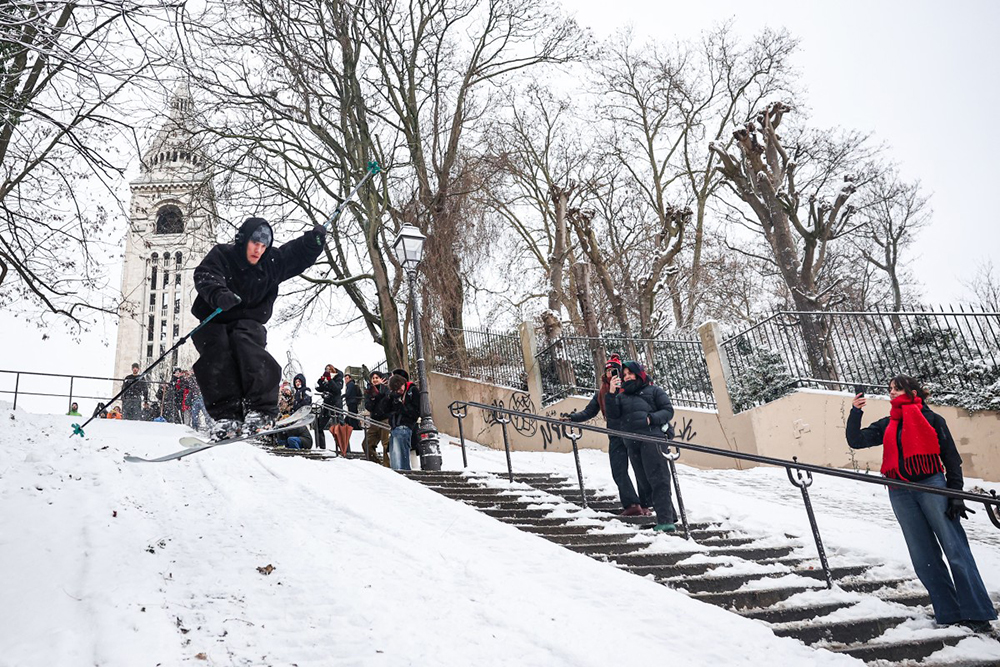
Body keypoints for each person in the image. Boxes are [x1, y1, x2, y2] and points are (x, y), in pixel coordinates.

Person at [847, 375, 997, 632]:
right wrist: (855, 412)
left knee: (955, 550)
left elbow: (951, 458)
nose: (892, 392)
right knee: (923, 555)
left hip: (932, 485)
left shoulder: (933, 419)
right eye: (890, 388)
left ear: (912, 391)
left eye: (897, 388)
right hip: (900, 490)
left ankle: (977, 613)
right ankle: (948, 612)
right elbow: (856, 441)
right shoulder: (888, 423)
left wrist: (955, 493)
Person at [190, 216, 326, 440]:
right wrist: (218, 294)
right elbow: (205, 274)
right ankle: (227, 415)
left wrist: (313, 242)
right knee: (216, 351)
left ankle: (261, 410)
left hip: (249, 320)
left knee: (246, 344)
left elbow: (295, 255)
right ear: (243, 241)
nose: (258, 251)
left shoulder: (271, 262)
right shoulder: (223, 254)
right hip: (215, 317)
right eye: (255, 244)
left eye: (263, 246)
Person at [563, 354, 650, 517]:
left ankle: (645, 504)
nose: (611, 374)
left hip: (632, 432)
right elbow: (590, 411)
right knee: (618, 469)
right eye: (608, 370)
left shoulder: (630, 386)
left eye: (614, 370)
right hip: (614, 434)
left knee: (640, 469)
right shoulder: (602, 390)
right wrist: (572, 418)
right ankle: (632, 504)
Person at [605, 361, 677, 533]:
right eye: (625, 374)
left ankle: (666, 522)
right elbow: (613, 416)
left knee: (658, 478)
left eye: (631, 373)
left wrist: (650, 419)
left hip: (652, 440)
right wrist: (611, 393)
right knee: (644, 483)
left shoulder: (654, 391)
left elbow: (668, 410)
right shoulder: (621, 397)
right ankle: (669, 514)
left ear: (639, 374)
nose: (627, 376)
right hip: (632, 443)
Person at [385, 373, 420, 470]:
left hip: (406, 425)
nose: (399, 391)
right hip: (395, 426)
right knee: (394, 455)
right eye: (396, 390)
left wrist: (401, 406)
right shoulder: (394, 395)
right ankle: (400, 475)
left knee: (401, 455)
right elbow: (386, 410)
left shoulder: (412, 391)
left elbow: (416, 412)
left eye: (400, 388)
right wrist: (390, 398)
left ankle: (404, 475)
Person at [363, 371, 391, 466]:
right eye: (373, 378)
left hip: (385, 419)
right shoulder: (369, 391)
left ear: (381, 379)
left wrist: (379, 394)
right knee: (367, 444)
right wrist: (373, 397)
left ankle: (388, 466)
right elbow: (368, 406)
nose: (375, 380)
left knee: (386, 444)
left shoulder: (386, 388)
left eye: (377, 377)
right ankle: (376, 464)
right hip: (374, 420)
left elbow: (387, 401)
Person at [316, 364, 344, 451]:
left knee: (339, 428)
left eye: (330, 370)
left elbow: (337, 389)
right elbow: (321, 388)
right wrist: (321, 381)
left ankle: (344, 449)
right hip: (327, 405)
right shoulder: (326, 379)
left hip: (336, 405)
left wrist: (329, 380)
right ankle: (321, 447)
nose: (328, 372)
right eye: (326, 370)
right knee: (319, 425)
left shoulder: (338, 378)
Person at [341, 373, 362, 452]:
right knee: (352, 414)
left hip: (352, 402)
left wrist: (344, 395)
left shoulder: (351, 384)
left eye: (346, 378)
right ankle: (354, 425)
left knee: (352, 414)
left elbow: (349, 393)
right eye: (345, 379)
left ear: (349, 378)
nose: (345, 380)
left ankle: (354, 426)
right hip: (352, 402)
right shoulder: (351, 384)